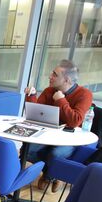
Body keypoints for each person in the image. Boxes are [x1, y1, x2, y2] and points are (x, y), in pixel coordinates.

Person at [25, 59, 93, 192]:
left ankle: (49, 175)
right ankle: (53, 174)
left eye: (55, 74)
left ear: (67, 80)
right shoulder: (49, 90)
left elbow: (75, 121)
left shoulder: (84, 94)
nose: (50, 76)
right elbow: (35, 114)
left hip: (69, 139)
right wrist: (31, 96)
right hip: (48, 134)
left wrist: (61, 100)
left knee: (55, 154)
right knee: (27, 151)